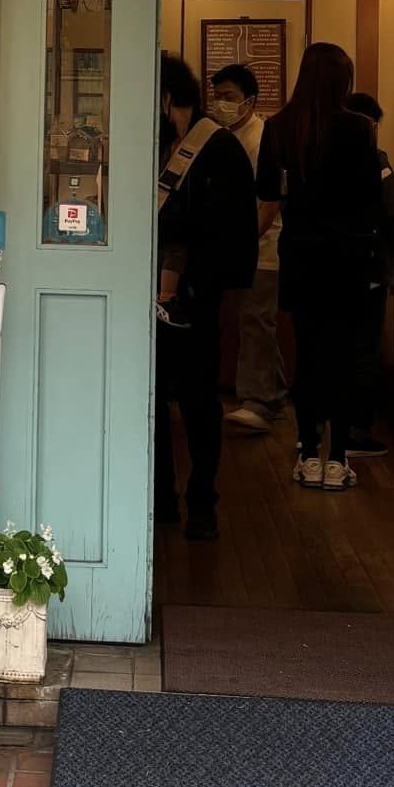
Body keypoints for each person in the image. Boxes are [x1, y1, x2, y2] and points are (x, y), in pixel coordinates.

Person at [254, 42, 389, 491]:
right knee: (344, 356)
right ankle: (338, 458)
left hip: (300, 254)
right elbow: (371, 199)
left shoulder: (278, 127)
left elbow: (267, 192)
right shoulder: (359, 128)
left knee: (308, 355)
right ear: (341, 81)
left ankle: (308, 453)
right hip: (349, 257)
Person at [154, 53, 259, 541]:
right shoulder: (157, 143)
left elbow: (230, 228)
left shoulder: (217, 147)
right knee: (152, 398)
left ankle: (202, 499)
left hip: (196, 295)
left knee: (198, 400)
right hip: (152, 293)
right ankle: (160, 497)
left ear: (167, 97)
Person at [207, 64, 286, 437]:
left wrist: (245, 242)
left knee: (256, 322)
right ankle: (274, 395)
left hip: (263, 248)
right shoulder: (223, 137)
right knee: (254, 323)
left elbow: (270, 202)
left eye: (229, 97)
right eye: (217, 96)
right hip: (234, 247)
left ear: (249, 101)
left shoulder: (262, 138)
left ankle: (258, 402)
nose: (220, 103)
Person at [341, 90, 394, 458]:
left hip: (331, 266)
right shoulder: (375, 160)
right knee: (364, 347)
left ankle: (319, 431)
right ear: (369, 125)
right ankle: (357, 431)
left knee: (334, 346)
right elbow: (391, 212)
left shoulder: (320, 155)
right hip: (369, 264)